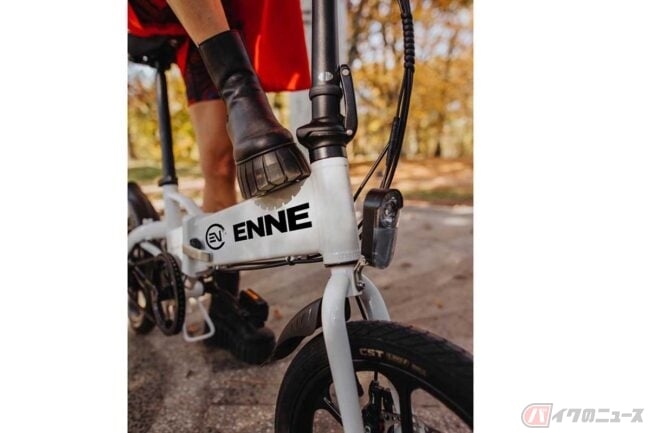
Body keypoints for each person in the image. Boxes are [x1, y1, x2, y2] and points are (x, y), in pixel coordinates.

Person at [128, 0, 311, 364]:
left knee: (223, 164)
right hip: (148, 14)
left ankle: (223, 308)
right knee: (242, 124)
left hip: (219, 17)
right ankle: (238, 86)